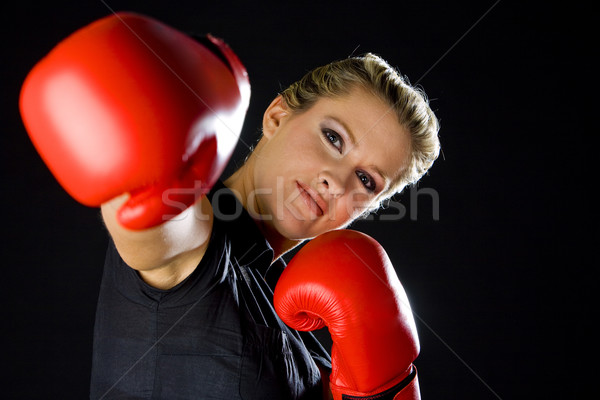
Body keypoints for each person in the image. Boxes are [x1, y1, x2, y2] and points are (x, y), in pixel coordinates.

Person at [20, 12, 440, 400]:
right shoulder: (198, 242)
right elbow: (160, 231)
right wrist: (151, 161)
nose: (336, 180)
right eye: (333, 138)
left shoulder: (318, 340)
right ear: (277, 116)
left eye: (366, 180)